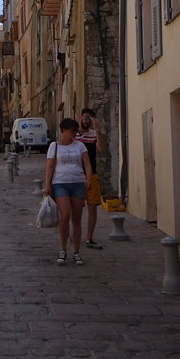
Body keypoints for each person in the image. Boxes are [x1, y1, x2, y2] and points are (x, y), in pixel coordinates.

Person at [42, 117, 94, 265]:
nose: (75, 133)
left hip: (78, 183)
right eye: (73, 130)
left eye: (76, 131)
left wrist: (88, 179)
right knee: (65, 215)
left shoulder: (80, 146)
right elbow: (50, 166)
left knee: (76, 220)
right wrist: (48, 185)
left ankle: (77, 252)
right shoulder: (54, 146)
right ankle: (63, 249)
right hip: (60, 183)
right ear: (64, 130)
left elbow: (87, 164)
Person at [79, 108, 104, 249]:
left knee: (92, 207)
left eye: (90, 118)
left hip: (92, 175)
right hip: (77, 175)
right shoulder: (74, 134)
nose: (87, 121)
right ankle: (74, 233)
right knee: (76, 208)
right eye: (86, 117)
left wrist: (97, 129)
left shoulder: (94, 134)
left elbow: (100, 148)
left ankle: (89, 237)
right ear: (81, 117)